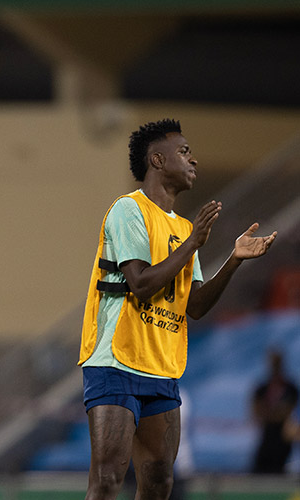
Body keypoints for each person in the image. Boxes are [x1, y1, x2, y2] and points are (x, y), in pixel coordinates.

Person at [78, 118, 277, 500]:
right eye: (184, 152)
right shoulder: (128, 210)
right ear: (157, 160)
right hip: (116, 362)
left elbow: (196, 306)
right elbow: (141, 283)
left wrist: (233, 259)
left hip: (161, 368)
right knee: (107, 479)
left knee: (159, 482)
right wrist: (194, 245)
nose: (194, 160)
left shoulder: (185, 229)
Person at [250, 350, 298, 474]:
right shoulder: (262, 388)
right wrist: (276, 413)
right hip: (266, 440)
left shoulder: (290, 388)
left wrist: (271, 413)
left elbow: (287, 411)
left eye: (277, 362)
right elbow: (256, 412)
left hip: (283, 442)